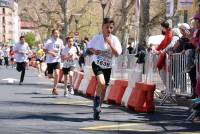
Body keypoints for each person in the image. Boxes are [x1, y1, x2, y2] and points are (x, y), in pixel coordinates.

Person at [87, 18, 122, 120]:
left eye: (111, 28)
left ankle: (97, 109)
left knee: (104, 88)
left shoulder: (115, 40)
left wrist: (110, 44)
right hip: (97, 64)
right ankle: (96, 102)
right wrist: (94, 51)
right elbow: (89, 47)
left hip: (108, 67)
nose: (109, 29)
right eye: (107, 27)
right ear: (102, 27)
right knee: (101, 83)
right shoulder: (97, 38)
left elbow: (117, 54)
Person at [44, 29, 64, 95]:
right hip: (50, 60)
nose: (57, 34)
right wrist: (51, 53)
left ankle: (54, 89)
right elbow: (44, 50)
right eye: (55, 33)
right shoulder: (49, 41)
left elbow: (62, 49)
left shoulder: (60, 41)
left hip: (57, 60)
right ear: (52, 34)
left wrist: (63, 55)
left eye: (58, 33)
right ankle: (48, 72)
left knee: (57, 73)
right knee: (50, 76)